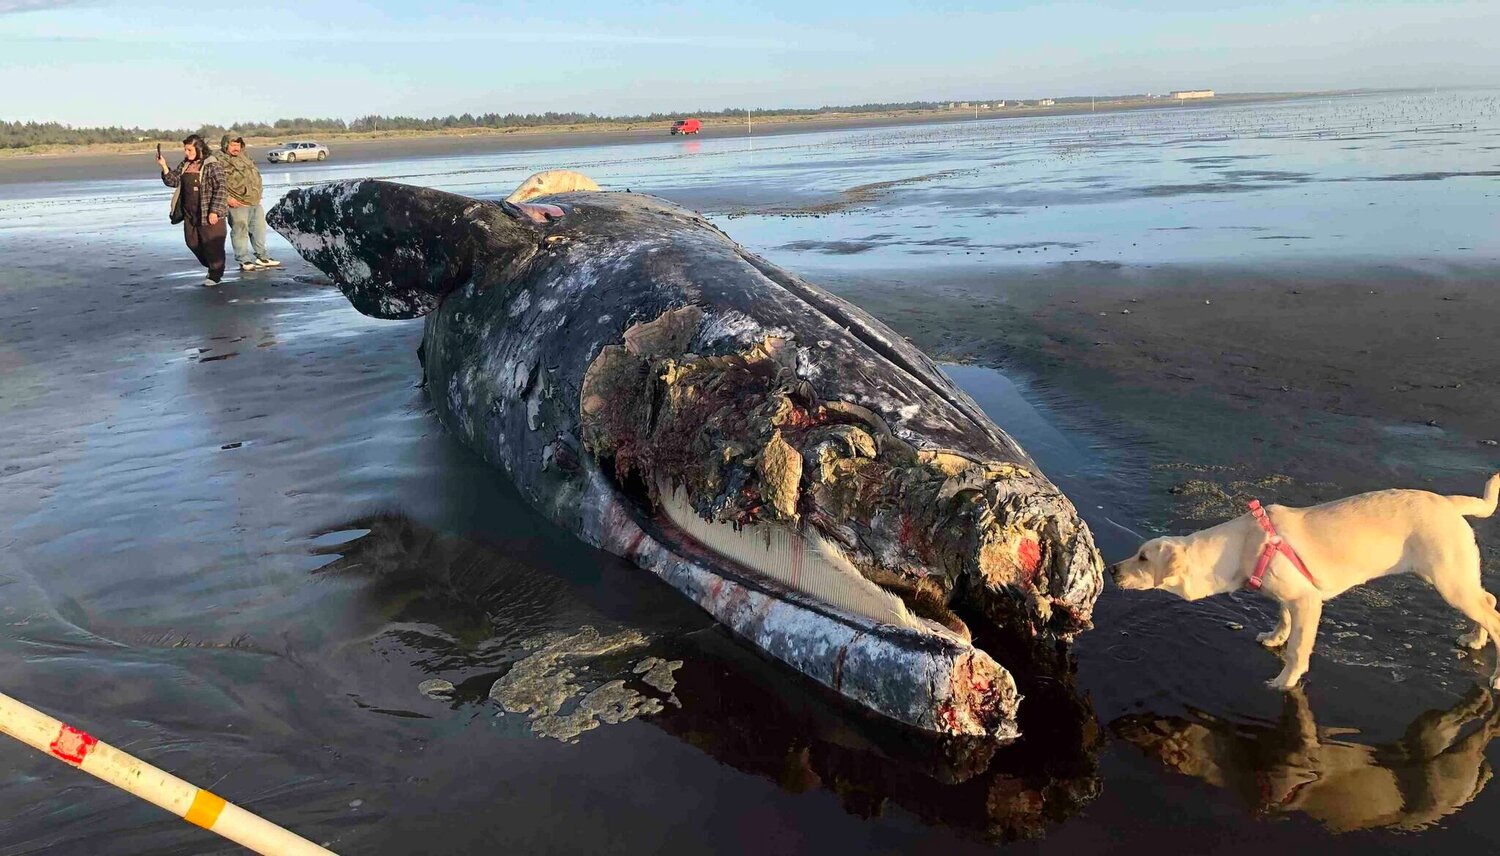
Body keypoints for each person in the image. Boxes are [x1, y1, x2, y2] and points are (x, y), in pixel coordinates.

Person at [157, 134, 228, 287]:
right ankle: (211, 265)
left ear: (198, 148)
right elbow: (173, 181)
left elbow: (221, 188)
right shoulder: (185, 165)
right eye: (185, 150)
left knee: (213, 245)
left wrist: (214, 211)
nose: (186, 153)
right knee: (192, 242)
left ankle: (216, 274)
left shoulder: (212, 164)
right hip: (189, 213)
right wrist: (164, 166)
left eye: (189, 150)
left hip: (208, 212)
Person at [219, 134, 280, 272]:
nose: (236, 148)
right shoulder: (219, 160)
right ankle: (243, 259)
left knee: (259, 229)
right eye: (232, 145)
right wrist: (227, 198)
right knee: (240, 231)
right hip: (237, 202)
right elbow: (216, 183)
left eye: (238, 145)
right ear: (225, 145)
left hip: (254, 201)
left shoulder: (245, 157)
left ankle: (262, 257)